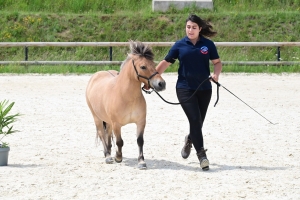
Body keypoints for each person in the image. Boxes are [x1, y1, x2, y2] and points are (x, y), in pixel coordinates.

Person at [154, 14, 222, 171]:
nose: (190, 30)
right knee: (194, 119)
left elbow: (217, 63)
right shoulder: (179, 45)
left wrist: (216, 74)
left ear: (200, 29)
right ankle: (202, 156)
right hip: (184, 88)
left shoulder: (208, 45)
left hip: (205, 89)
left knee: (198, 122)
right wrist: (152, 80)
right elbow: (165, 63)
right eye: (188, 27)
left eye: (193, 27)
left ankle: (190, 139)